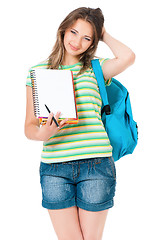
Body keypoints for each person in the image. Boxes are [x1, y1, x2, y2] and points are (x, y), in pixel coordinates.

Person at [25, 7, 135, 240]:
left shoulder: (96, 68)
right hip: (55, 167)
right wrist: (43, 133)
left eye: (87, 37)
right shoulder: (38, 72)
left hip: (95, 164)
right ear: (63, 30)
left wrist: (103, 32)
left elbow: (128, 57)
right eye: (74, 32)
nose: (77, 42)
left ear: (93, 42)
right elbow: (29, 126)